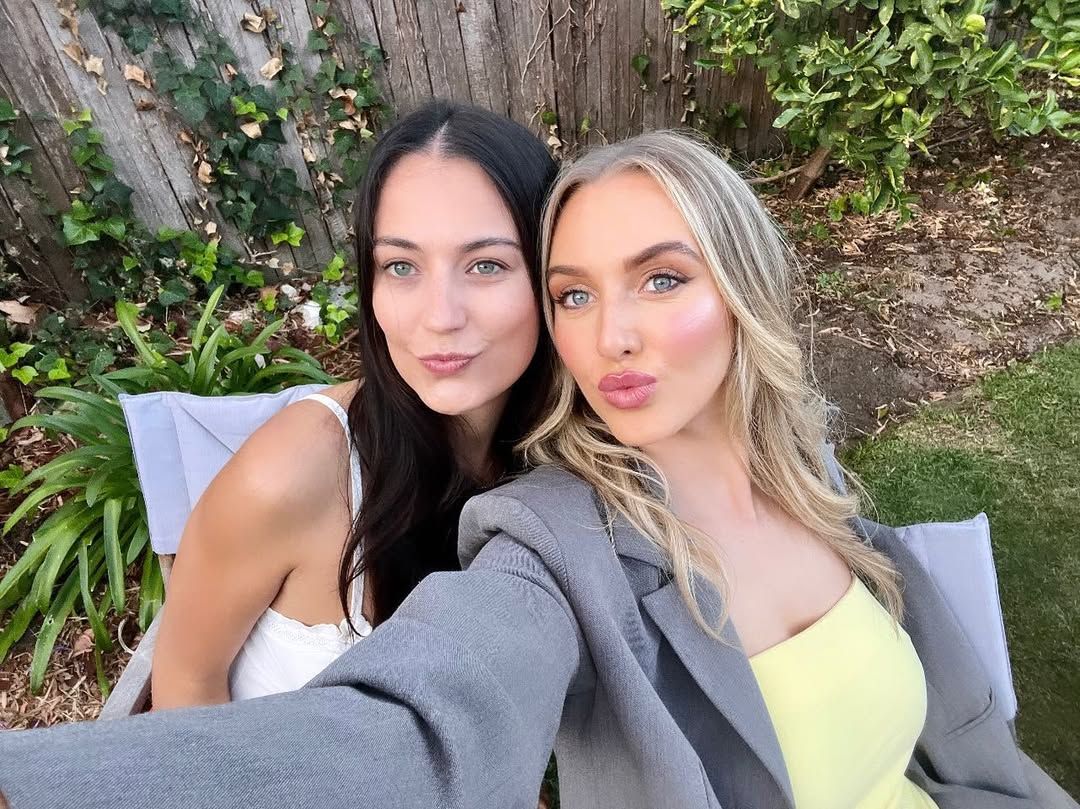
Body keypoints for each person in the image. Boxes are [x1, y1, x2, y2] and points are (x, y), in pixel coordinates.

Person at [2, 131, 1075, 809]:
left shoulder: (773, 470)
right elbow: (416, 732)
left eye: (660, 278)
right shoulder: (537, 529)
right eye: (580, 293)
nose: (441, 316)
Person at [150, 100, 557, 707]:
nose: (440, 317)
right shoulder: (290, 474)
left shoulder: (567, 455)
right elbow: (184, 685)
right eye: (401, 266)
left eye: (486, 264)